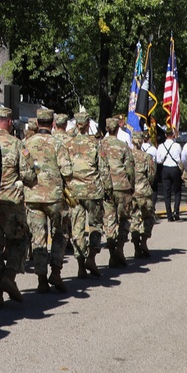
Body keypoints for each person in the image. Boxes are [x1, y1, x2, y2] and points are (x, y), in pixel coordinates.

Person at [0, 104, 37, 306]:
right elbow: (29, 175)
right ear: (8, 122)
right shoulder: (17, 144)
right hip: (11, 203)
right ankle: (9, 277)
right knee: (20, 241)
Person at [24, 106, 72, 292]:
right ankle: (56, 272)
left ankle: (41, 280)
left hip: (33, 196)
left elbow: (23, 170)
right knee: (60, 234)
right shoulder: (58, 143)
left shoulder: (27, 143)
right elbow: (67, 171)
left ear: (37, 123)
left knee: (38, 238)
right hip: (54, 197)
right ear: (52, 124)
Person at [64, 107, 105, 277]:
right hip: (93, 191)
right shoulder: (95, 144)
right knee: (95, 225)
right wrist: (107, 189)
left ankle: (80, 265)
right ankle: (92, 258)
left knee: (77, 228)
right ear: (88, 125)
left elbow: (64, 169)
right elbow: (103, 169)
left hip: (74, 192)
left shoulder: (67, 145)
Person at [99, 116, 135, 267]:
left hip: (105, 187)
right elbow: (130, 169)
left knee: (109, 221)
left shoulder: (99, 145)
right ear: (118, 128)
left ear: (107, 129)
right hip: (122, 186)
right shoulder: (123, 146)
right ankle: (119, 248)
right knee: (125, 219)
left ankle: (113, 253)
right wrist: (131, 186)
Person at [129, 131, 157, 257]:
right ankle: (144, 241)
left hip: (131, 192)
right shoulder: (147, 157)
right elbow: (151, 175)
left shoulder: (127, 155)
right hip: (144, 191)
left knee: (134, 218)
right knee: (149, 217)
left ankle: (136, 246)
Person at [155, 126, 184, 221]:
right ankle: (176, 211)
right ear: (173, 135)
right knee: (177, 191)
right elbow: (180, 158)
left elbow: (158, 160)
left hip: (165, 169)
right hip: (175, 169)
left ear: (165, 135)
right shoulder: (177, 146)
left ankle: (169, 215)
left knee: (166, 193)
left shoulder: (161, 146)